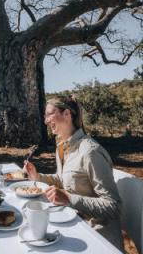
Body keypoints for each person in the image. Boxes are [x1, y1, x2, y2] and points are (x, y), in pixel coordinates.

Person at [24, 94, 124, 251]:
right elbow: (64, 179)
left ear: (67, 114)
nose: (46, 121)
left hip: (99, 240)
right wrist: (37, 177)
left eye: (50, 114)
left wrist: (69, 198)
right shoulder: (62, 146)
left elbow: (113, 207)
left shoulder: (91, 151)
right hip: (76, 226)